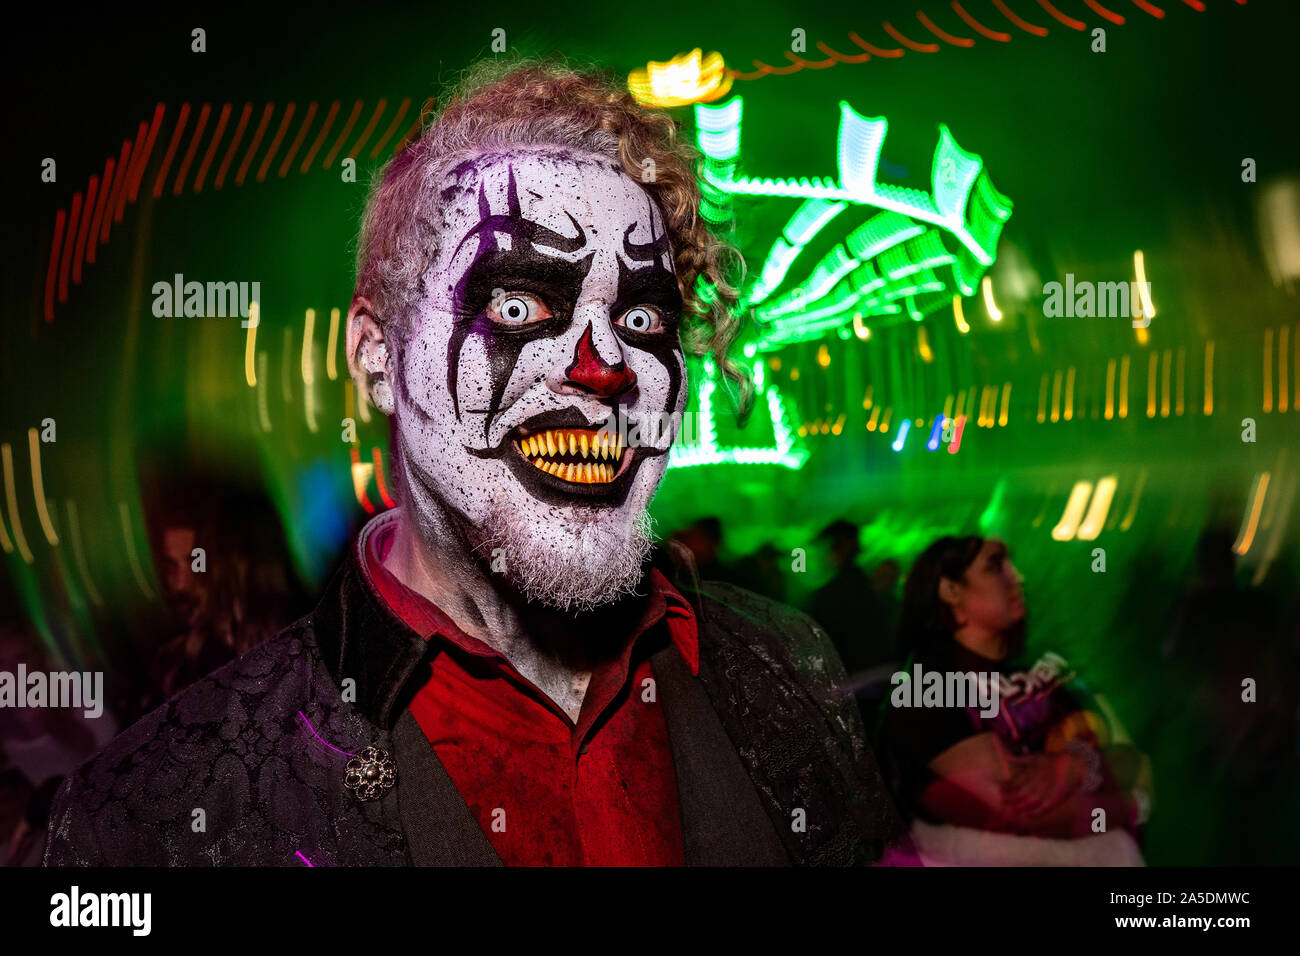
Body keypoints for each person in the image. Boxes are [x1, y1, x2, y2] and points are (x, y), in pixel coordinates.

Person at [44, 55, 904, 867]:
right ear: (376, 355)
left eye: (642, 319)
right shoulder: (156, 814)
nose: (603, 366)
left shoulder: (788, 666)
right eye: (521, 304)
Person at [880, 535, 1150, 863]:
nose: (1018, 577)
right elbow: (1023, 816)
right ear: (951, 590)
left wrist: (1075, 765)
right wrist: (1133, 805)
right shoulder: (925, 690)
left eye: (1011, 564)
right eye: (995, 567)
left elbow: (1134, 761)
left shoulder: (1049, 668)